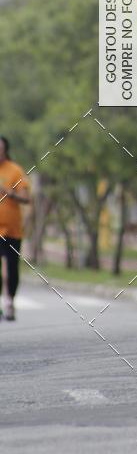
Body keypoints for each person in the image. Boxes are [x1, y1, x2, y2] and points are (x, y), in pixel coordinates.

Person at [0, 135, 31, 321]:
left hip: (12, 229)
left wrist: (9, 193)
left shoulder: (15, 171)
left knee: (12, 267)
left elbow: (26, 198)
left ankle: (10, 302)